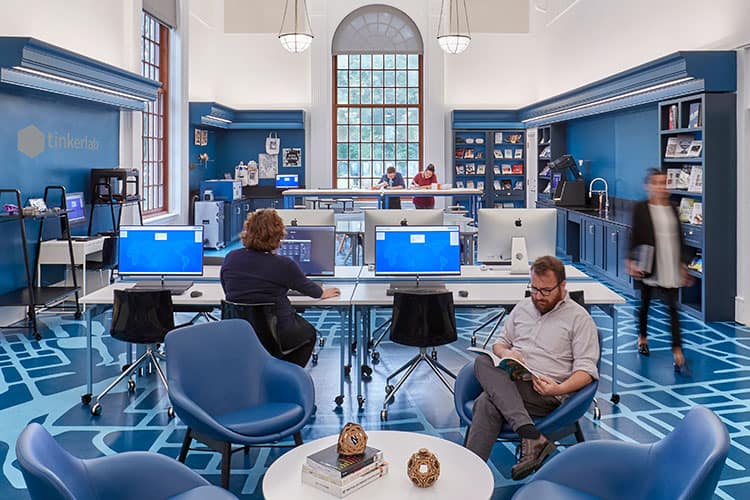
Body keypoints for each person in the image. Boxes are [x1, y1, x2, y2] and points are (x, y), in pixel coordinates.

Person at [465, 256, 599, 480]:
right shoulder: (523, 308)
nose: (538, 296)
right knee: (482, 362)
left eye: (545, 291)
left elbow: (587, 371)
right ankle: (530, 434)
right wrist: (506, 354)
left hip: (545, 391)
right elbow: (500, 343)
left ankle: (468, 479)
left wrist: (557, 389)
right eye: (534, 288)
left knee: (486, 402)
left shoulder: (579, 318)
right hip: (514, 380)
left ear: (562, 286)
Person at [220, 209, 341, 367]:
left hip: (238, 332)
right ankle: (288, 374)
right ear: (278, 235)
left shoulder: (231, 258)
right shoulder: (283, 265)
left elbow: (227, 288)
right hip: (276, 334)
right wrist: (323, 292)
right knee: (309, 334)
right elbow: (311, 290)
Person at [626, 168, 692, 371]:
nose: (660, 187)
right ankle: (642, 338)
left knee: (673, 309)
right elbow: (634, 235)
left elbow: (680, 239)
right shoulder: (641, 208)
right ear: (649, 186)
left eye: (664, 183)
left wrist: (683, 264)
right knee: (645, 305)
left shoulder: (673, 208)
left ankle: (678, 352)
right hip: (649, 265)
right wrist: (630, 260)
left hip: (670, 264)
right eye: (656, 183)